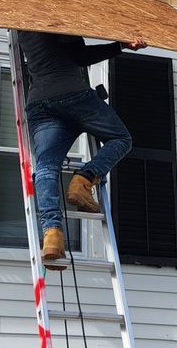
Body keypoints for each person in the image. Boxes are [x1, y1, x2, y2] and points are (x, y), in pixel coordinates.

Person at [17, 30, 148, 269]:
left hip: (39, 102)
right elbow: (80, 55)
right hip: (71, 93)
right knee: (120, 138)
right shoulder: (60, 15)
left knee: (46, 165)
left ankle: (52, 235)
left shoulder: (22, 22)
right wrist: (119, 45)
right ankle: (84, 180)